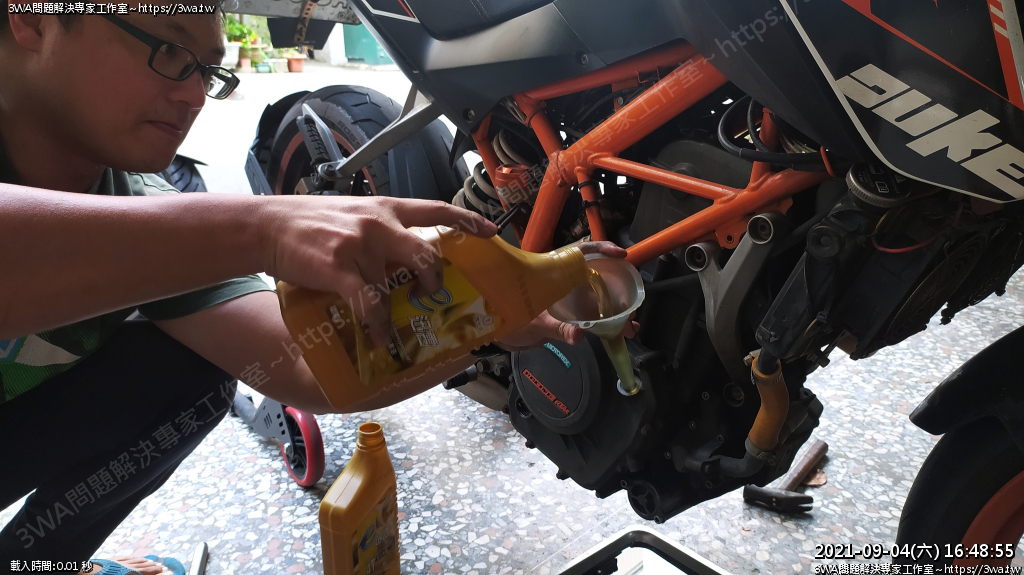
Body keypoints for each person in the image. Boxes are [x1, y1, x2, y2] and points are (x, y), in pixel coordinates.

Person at [0, 0, 639, 571]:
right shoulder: (173, 229)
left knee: (187, 374)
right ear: (32, 15)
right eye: (170, 51)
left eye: (209, 71)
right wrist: (263, 229)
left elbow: (306, 365)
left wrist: (483, 321)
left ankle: (34, 564)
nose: (194, 95)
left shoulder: (140, 203)